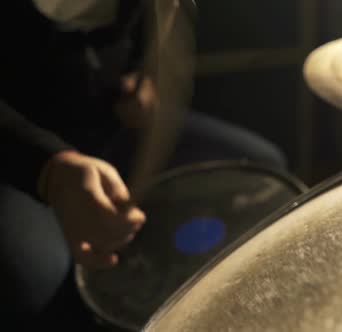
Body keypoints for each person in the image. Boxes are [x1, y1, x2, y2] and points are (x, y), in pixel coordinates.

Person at [0, 0, 287, 329]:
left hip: (112, 124)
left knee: (264, 173)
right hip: (21, 156)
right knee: (33, 276)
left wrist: (142, 75)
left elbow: (146, 25)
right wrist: (49, 169)